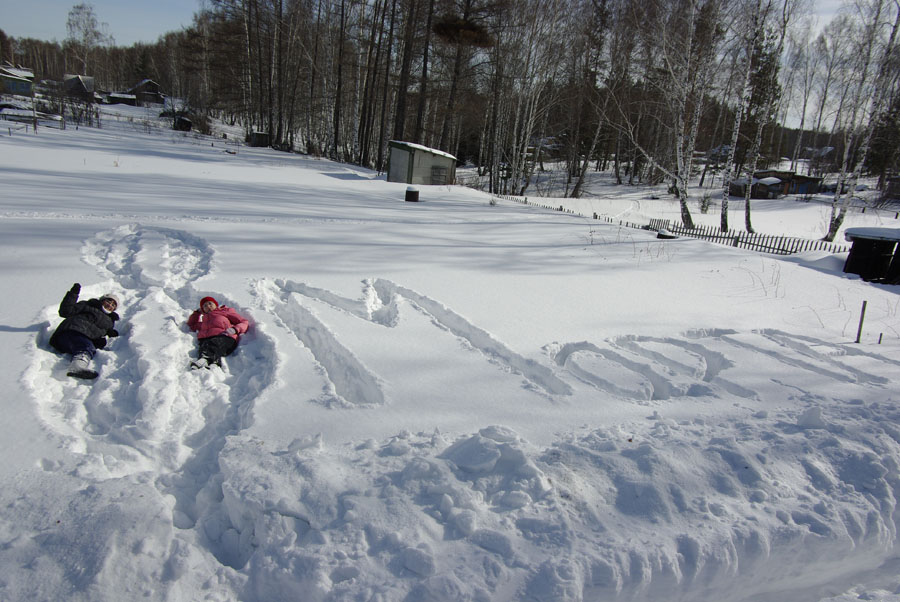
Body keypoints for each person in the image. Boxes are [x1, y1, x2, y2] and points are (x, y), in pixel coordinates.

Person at [48, 283, 121, 380]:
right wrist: (73, 294)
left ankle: (79, 363)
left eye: (113, 305)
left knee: (88, 347)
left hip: (78, 342)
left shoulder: (109, 322)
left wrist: (107, 334)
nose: (110, 305)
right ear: (102, 300)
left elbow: (97, 334)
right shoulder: (88, 305)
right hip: (71, 332)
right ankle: (77, 367)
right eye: (108, 301)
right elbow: (65, 311)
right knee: (85, 346)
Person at [187, 296, 249, 369]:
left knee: (213, 343)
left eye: (210, 304)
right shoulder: (204, 321)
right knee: (204, 345)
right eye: (205, 306)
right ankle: (214, 363)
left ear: (215, 304)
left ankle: (205, 359)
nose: (208, 306)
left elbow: (244, 322)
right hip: (209, 341)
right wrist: (197, 313)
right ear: (202, 310)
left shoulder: (224, 312)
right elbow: (191, 324)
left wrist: (236, 329)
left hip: (225, 338)